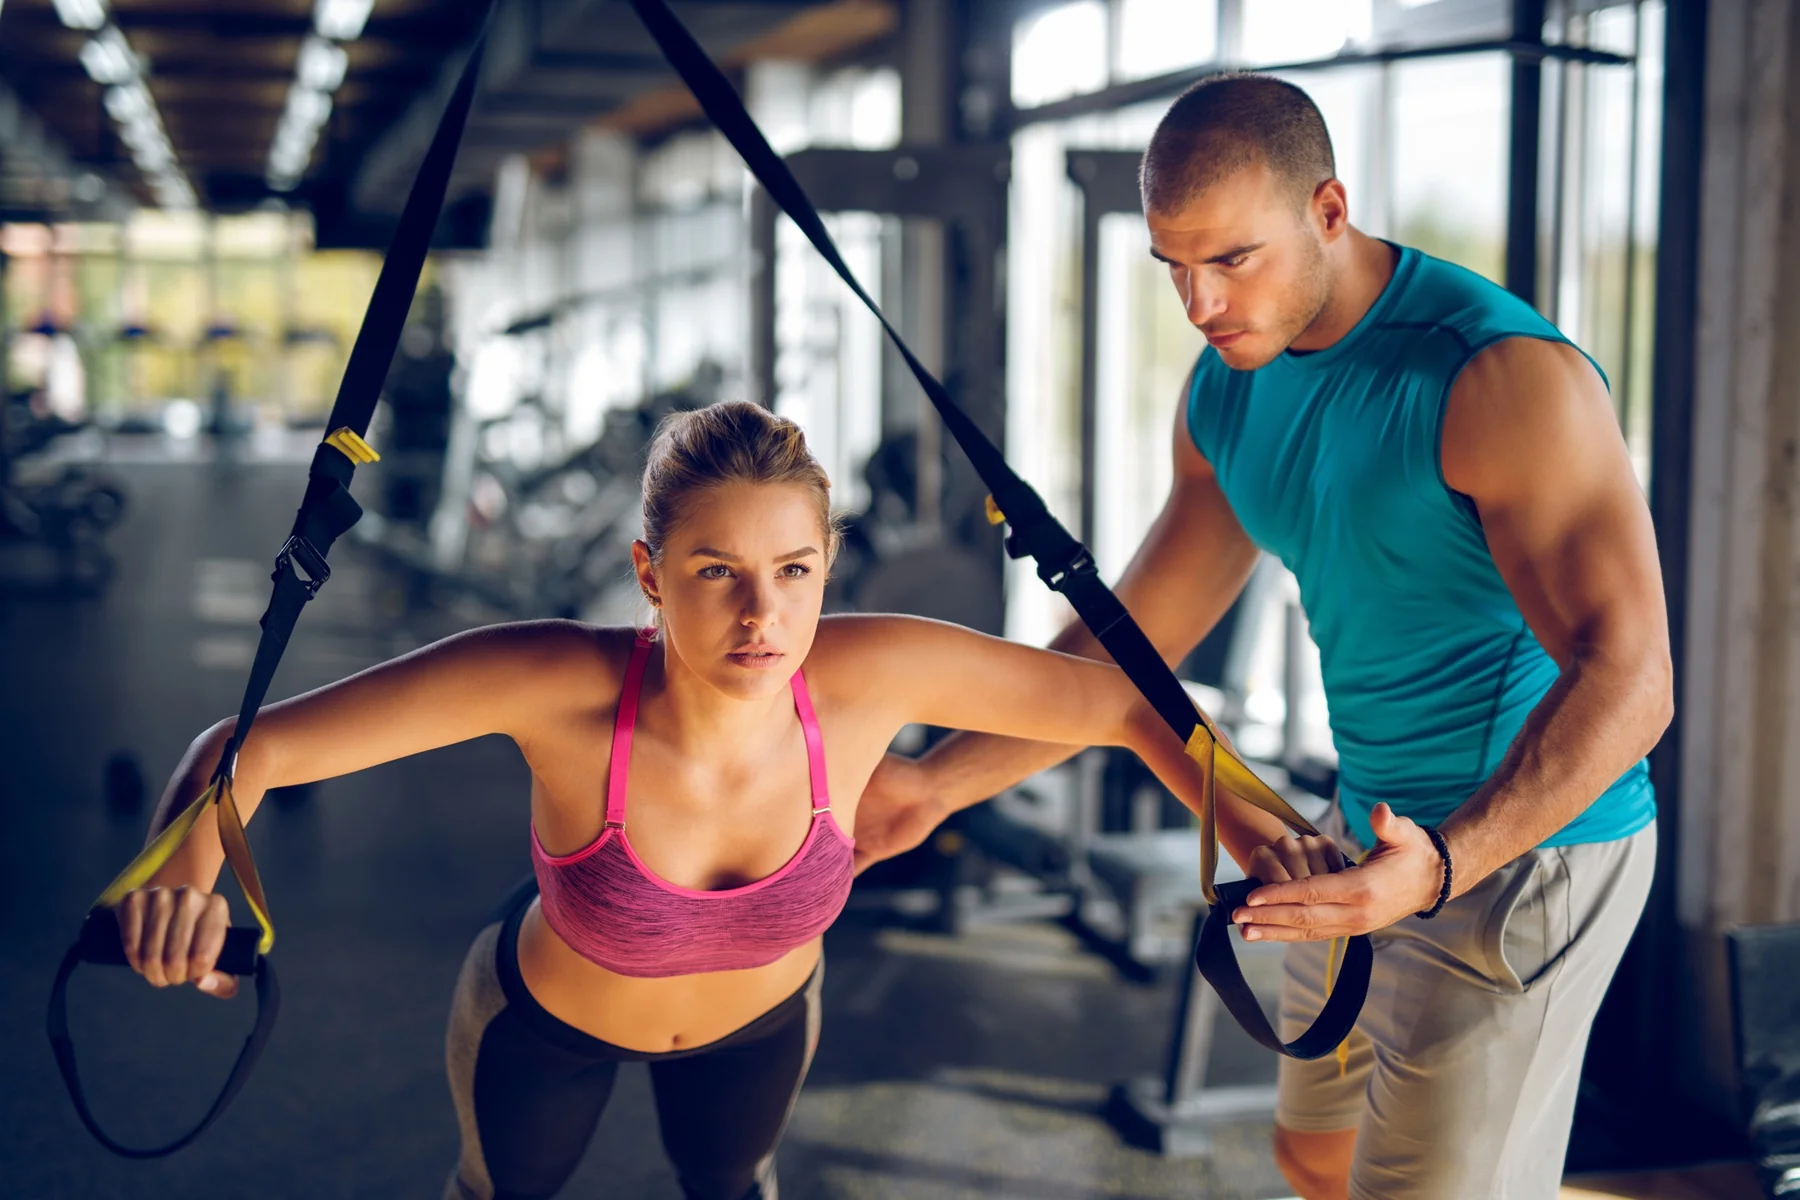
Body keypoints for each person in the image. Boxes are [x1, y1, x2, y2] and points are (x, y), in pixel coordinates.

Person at [110, 401, 1315, 1200]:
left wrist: (1261, 830)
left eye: (794, 571)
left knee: (730, 1190)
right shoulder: (556, 681)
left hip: (761, 1025)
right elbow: (242, 752)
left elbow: (1120, 704)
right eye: (715, 572)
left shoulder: (870, 673)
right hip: (545, 1024)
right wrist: (182, 872)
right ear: (650, 574)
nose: (762, 616)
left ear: (826, 568)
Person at [853, 73, 1672, 1200]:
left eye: (1233, 260)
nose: (1200, 303)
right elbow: (1129, 649)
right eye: (1174, 266)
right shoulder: (1228, 392)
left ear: (1328, 210)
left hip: (1527, 855)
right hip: (1365, 830)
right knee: (1312, 1155)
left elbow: (1633, 683)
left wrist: (1441, 866)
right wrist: (933, 788)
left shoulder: (1497, 379)